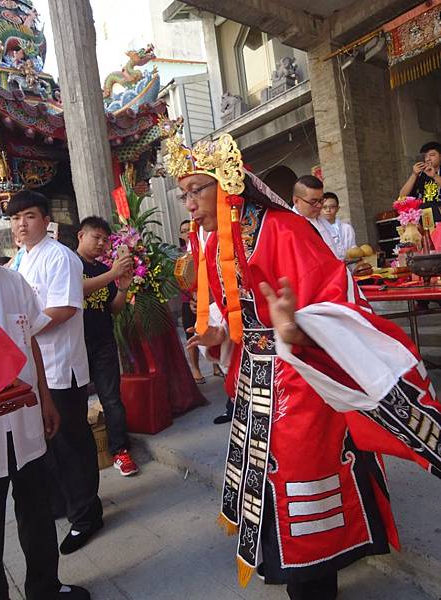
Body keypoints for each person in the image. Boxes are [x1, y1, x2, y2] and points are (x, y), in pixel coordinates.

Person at [163, 130, 441, 600]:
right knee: (266, 490)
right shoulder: (211, 244)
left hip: (300, 381)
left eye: (196, 190)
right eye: (183, 193)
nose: (188, 204)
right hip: (253, 382)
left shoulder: (284, 229)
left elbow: (338, 297)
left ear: (227, 184)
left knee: (305, 489)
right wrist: (216, 338)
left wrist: (300, 328)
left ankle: (317, 581)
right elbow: (227, 316)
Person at [0, 203, 90, 600]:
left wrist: (46, 398)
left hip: (26, 417)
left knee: (36, 507)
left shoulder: (10, 281)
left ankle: (45, 588)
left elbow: (28, 338)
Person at [6, 191, 103, 556]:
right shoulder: (20, 260)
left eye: (29, 216)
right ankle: (65, 503)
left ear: (46, 220)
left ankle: (87, 514)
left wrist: (22, 332)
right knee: (47, 442)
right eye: (15, 218)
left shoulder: (59, 257)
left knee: (71, 442)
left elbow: (63, 308)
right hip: (32, 368)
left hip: (60, 365)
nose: (21, 224)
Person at [76, 216, 138, 476]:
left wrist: (122, 287)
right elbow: (75, 290)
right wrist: (113, 273)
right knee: (76, 405)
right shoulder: (68, 263)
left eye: (105, 239)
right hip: (75, 345)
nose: (101, 243)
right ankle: (84, 457)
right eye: (95, 237)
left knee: (111, 399)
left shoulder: (102, 270)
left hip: (103, 342)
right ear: (80, 236)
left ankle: (120, 451)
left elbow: (114, 308)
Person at [292, 176, 372, 277]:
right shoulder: (291, 227)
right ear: (296, 201)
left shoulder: (321, 220)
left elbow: (336, 254)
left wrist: (353, 267)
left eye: (321, 201)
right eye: (313, 202)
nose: (319, 206)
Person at [179, 219, 205, 383]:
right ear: (181, 235)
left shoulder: (203, 245)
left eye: (190, 228)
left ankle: (216, 364)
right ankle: (195, 367)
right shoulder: (179, 254)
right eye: (184, 230)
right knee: (191, 335)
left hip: (207, 298)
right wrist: (191, 296)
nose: (188, 232)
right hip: (188, 300)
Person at [399, 141, 441, 223]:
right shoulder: (422, 175)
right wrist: (414, 175)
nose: (428, 159)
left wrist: (434, 176)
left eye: (432, 155)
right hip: (424, 214)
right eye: (425, 156)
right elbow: (402, 196)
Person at [321, 192, 356, 258]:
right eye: (324, 207)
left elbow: (352, 250)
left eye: (332, 207)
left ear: (338, 208)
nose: (328, 210)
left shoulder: (347, 228)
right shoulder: (317, 229)